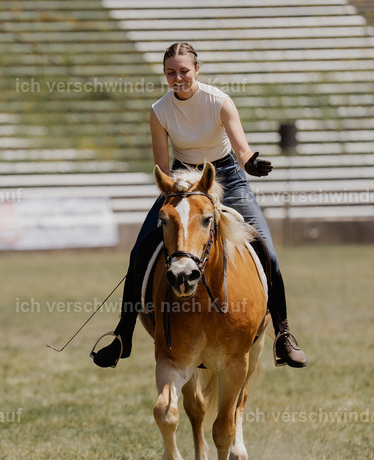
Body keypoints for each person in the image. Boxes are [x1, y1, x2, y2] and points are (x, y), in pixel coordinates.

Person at [92, 42, 308, 369]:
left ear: (196, 69)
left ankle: (283, 334)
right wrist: (175, 188)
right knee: (139, 251)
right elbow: (162, 168)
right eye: (170, 73)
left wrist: (251, 164)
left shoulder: (219, 101)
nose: (178, 78)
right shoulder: (159, 111)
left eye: (183, 71)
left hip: (229, 179)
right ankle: (123, 334)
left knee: (268, 251)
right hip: (183, 180)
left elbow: (242, 149)